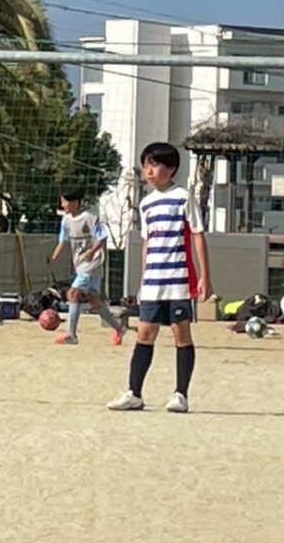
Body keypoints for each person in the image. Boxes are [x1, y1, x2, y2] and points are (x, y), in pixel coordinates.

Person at [108, 142, 212, 414]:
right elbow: (147, 243)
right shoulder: (146, 204)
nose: (149, 172)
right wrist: (143, 281)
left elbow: (198, 235)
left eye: (154, 165)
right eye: (145, 166)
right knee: (144, 333)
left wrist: (205, 277)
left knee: (181, 334)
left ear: (172, 168)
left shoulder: (183, 197)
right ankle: (134, 393)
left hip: (178, 280)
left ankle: (181, 395)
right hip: (153, 282)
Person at [49, 188, 125, 346]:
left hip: (93, 262)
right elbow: (62, 240)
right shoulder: (66, 221)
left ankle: (71, 335)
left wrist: (91, 252)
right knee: (93, 299)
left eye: (65, 201)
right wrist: (54, 256)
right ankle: (119, 328)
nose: (62, 205)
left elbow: (102, 238)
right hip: (80, 264)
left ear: (75, 202)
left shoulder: (90, 218)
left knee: (72, 293)